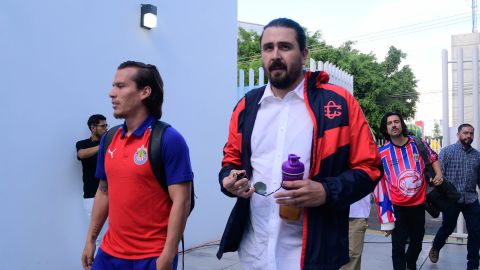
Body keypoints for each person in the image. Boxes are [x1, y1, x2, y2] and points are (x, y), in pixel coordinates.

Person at [216, 18, 383, 270]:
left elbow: (370, 167)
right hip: (254, 251)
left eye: (285, 47)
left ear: (304, 54)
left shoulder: (338, 104)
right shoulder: (246, 106)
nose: (275, 55)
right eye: (268, 48)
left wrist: (326, 191)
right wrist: (228, 180)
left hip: (313, 252)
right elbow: (231, 160)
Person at [81, 61, 193, 270]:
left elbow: (182, 201)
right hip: (108, 255)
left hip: (151, 258)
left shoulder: (168, 139)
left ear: (144, 92)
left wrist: (168, 255)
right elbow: (104, 191)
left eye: (121, 86)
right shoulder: (109, 138)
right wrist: (90, 240)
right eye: (113, 85)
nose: (111, 93)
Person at [373, 111, 443, 270]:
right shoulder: (381, 153)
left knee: (417, 242)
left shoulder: (417, 143)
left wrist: (439, 174)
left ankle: (411, 264)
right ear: (386, 129)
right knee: (398, 246)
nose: (393, 125)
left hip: (419, 204)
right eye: (389, 123)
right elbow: (378, 183)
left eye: (396, 121)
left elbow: (433, 158)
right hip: (397, 206)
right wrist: (385, 216)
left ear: (402, 124)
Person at [429, 123, 480, 270]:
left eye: (471, 133)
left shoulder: (477, 156)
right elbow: (439, 175)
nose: (468, 136)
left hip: (471, 199)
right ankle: (436, 246)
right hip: (452, 199)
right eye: (465, 133)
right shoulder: (447, 152)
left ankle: (473, 265)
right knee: (448, 228)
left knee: (476, 231)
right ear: (458, 135)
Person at [76, 114, 108, 246]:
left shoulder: (110, 144)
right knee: (97, 236)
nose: (106, 128)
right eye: (103, 126)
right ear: (93, 128)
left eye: (107, 125)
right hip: (91, 197)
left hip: (111, 195)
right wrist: (101, 147)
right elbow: (81, 154)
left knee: (113, 233)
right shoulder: (82, 144)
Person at [340, 195, 371, 270]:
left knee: (352, 256)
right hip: (328, 214)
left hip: (356, 215)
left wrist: (386, 220)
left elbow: (380, 187)